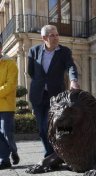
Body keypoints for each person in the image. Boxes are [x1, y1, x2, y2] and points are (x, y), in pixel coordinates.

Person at [28, 25, 79, 158]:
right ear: (44, 38)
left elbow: (71, 67)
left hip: (56, 96)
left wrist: (73, 80)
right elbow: (31, 72)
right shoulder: (33, 51)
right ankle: (50, 154)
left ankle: (62, 152)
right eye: (52, 35)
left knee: (60, 126)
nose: (56, 37)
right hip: (38, 95)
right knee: (42, 128)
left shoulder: (64, 51)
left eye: (57, 34)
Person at [0, 42, 18, 169]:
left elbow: (10, 85)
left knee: (7, 132)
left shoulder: (10, 64)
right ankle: (4, 159)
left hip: (6, 105)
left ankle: (13, 151)